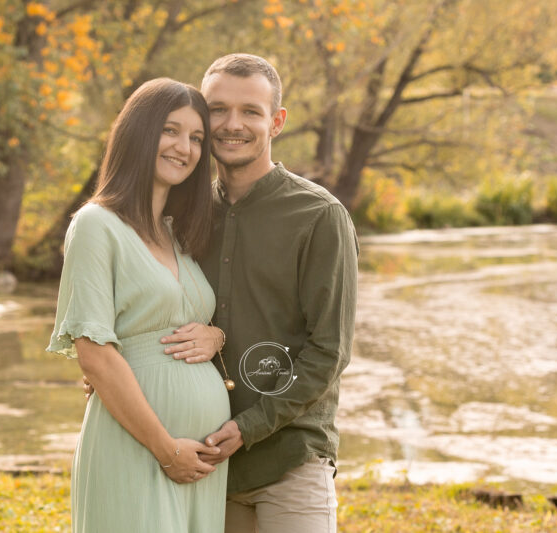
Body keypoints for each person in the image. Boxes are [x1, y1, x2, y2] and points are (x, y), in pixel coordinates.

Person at [159, 54, 359, 532]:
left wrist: (247, 428)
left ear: (277, 121)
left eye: (250, 111)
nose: (233, 124)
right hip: (201, 459)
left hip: (289, 458)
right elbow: (151, 314)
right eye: (218, 109)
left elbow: (329, 351)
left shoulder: (319, 217)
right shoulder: (179, 214)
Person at [47, 77, 232, 533]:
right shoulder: (96, 225)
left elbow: (188, 317)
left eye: (196, 138)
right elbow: (95, 353)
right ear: (139, 132)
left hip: (198, 465)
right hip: (139, 448)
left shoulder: (177, 234)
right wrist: (167, 450)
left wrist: (217, 333)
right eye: (170, 130)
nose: (184, 148)